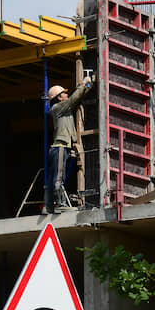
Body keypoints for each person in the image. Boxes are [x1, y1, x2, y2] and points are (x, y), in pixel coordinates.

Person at [47, 77, 94, 212]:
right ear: (59, 98)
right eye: (64, 94)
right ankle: (59, 204)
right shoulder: (57, 108)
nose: (66, 95)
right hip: (60, 146)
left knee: (58, 175)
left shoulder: (64, 109)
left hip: (63, 146)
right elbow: (74, 99)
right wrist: (84, 83)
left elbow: (77, 97)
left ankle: (53, 204)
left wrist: (89, 85)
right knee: (58, 177)